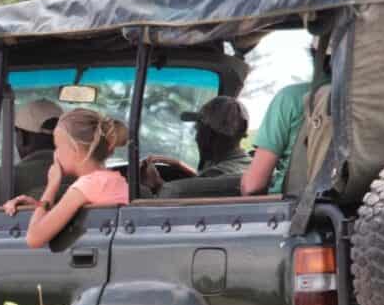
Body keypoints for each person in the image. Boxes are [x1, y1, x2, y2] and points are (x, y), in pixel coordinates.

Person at [3, 108, 129, 249]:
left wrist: (52, 185)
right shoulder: (115, 179)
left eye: (58, 147)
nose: (55, 153)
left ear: (74, 149)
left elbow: (34, 238)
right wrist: (37, 205)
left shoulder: (86, 186)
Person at [241, 38, 332, 195]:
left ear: (315, 56)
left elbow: (253, 186)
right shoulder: (369, 102)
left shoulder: (291, 98)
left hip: (294, 206)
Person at [141, 95, 251, 196]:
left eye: (199, 130)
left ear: (211, 135)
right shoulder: (247, 165)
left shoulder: (218, 173)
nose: (196, 138)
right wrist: (179, 165)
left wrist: (157, 185)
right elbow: (205, 182)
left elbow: (174, 197)